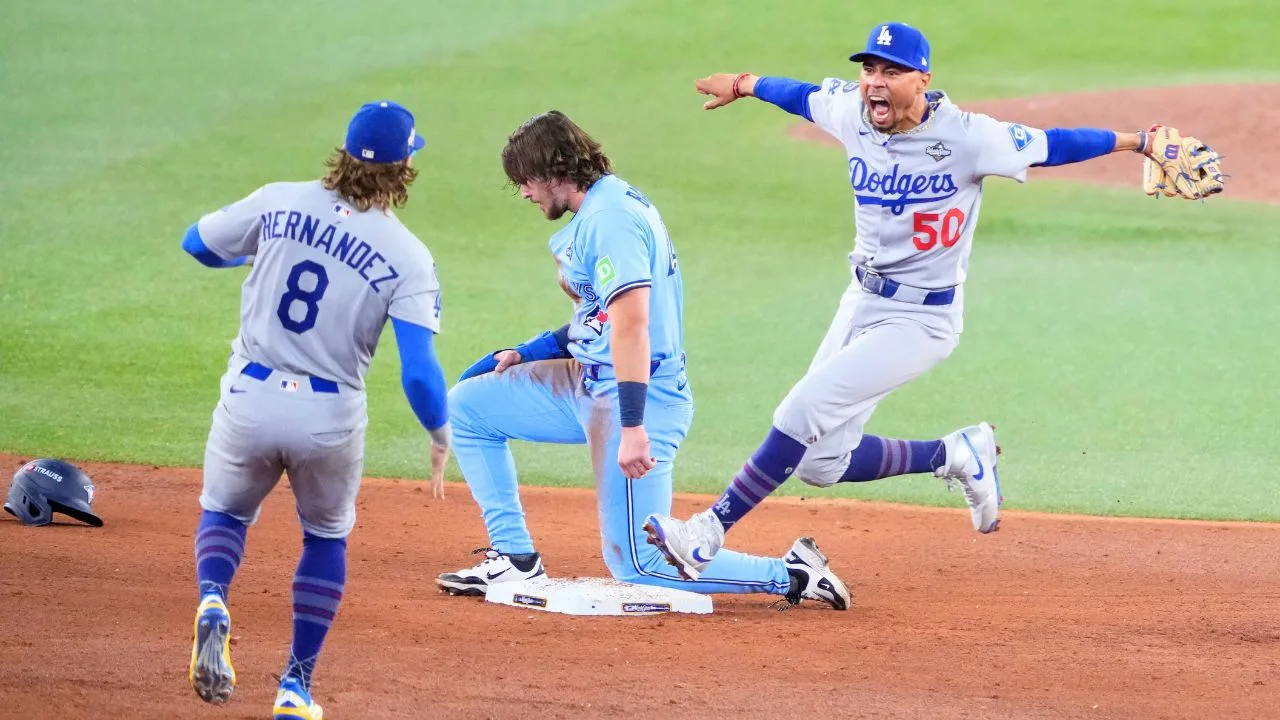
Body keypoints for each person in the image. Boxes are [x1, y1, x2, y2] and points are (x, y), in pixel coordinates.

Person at [642, 21, 1226, 580]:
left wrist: (1139, 142)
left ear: (921, 79)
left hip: (922, 319)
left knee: (801, 411)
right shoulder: (852, 110)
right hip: (861, 301)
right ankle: (957, 453)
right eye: (870, 68)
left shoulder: (970, 137)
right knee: (821, 463)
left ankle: (707, 532)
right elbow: (800, 95)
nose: (875, 81)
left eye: (891, 71)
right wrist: (743, 85)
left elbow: (1053, 144)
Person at [435, 110, 850, 610]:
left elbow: (632, 326)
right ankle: (515, 556)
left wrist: (632, 427)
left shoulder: (612, 221)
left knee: (639, 563)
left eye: (525, 180)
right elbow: (602, 319)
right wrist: (530, 352)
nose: (523, 192)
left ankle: (791, 575)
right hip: (588, 382)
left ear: (552, 170)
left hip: (638, 397)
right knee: (469, 407)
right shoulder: (600, 209)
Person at [182, 100, 452, 720]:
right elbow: (418, 372)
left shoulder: (278, 200)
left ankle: (214, 597)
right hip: (328, 418)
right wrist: (439, 431)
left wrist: (254, 255)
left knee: (225, 512)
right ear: (404, 167)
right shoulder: (408, 255)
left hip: (249, 395)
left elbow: (195, 243)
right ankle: (296, 687)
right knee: (325, 536)